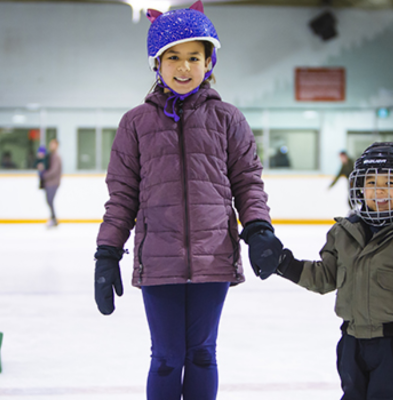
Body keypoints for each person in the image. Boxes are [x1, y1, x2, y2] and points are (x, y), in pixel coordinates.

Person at [94, 2, 282, 399]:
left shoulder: (228, 119)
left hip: (212, 257)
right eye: (173, 57)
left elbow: (248, 182)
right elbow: (122, 196)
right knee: (165, 356)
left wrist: (259, 229)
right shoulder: (136, 123)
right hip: (159, 256)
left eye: (193, 57)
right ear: (157, 64)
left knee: (201, 354)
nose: (183, 68)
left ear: (208, 61)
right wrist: (107, 253)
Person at [274, 142, 393, 400]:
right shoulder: (345, 232)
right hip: (351, 342)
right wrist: (284, 264)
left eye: (391, 183)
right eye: (370, 183)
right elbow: (325, 278)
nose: (378, 190)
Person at [39, 138, 62, 227]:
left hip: (53, 183)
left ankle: (54, 219)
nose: (51, 146)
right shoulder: (50, 156)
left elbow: (54, 171)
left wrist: (44, 175)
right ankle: (53, 218)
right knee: (48, 201)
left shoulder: (56, 157)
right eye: (50, 144)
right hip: (48, 183)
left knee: (50, 200)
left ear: (57, 145)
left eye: (53, 144)